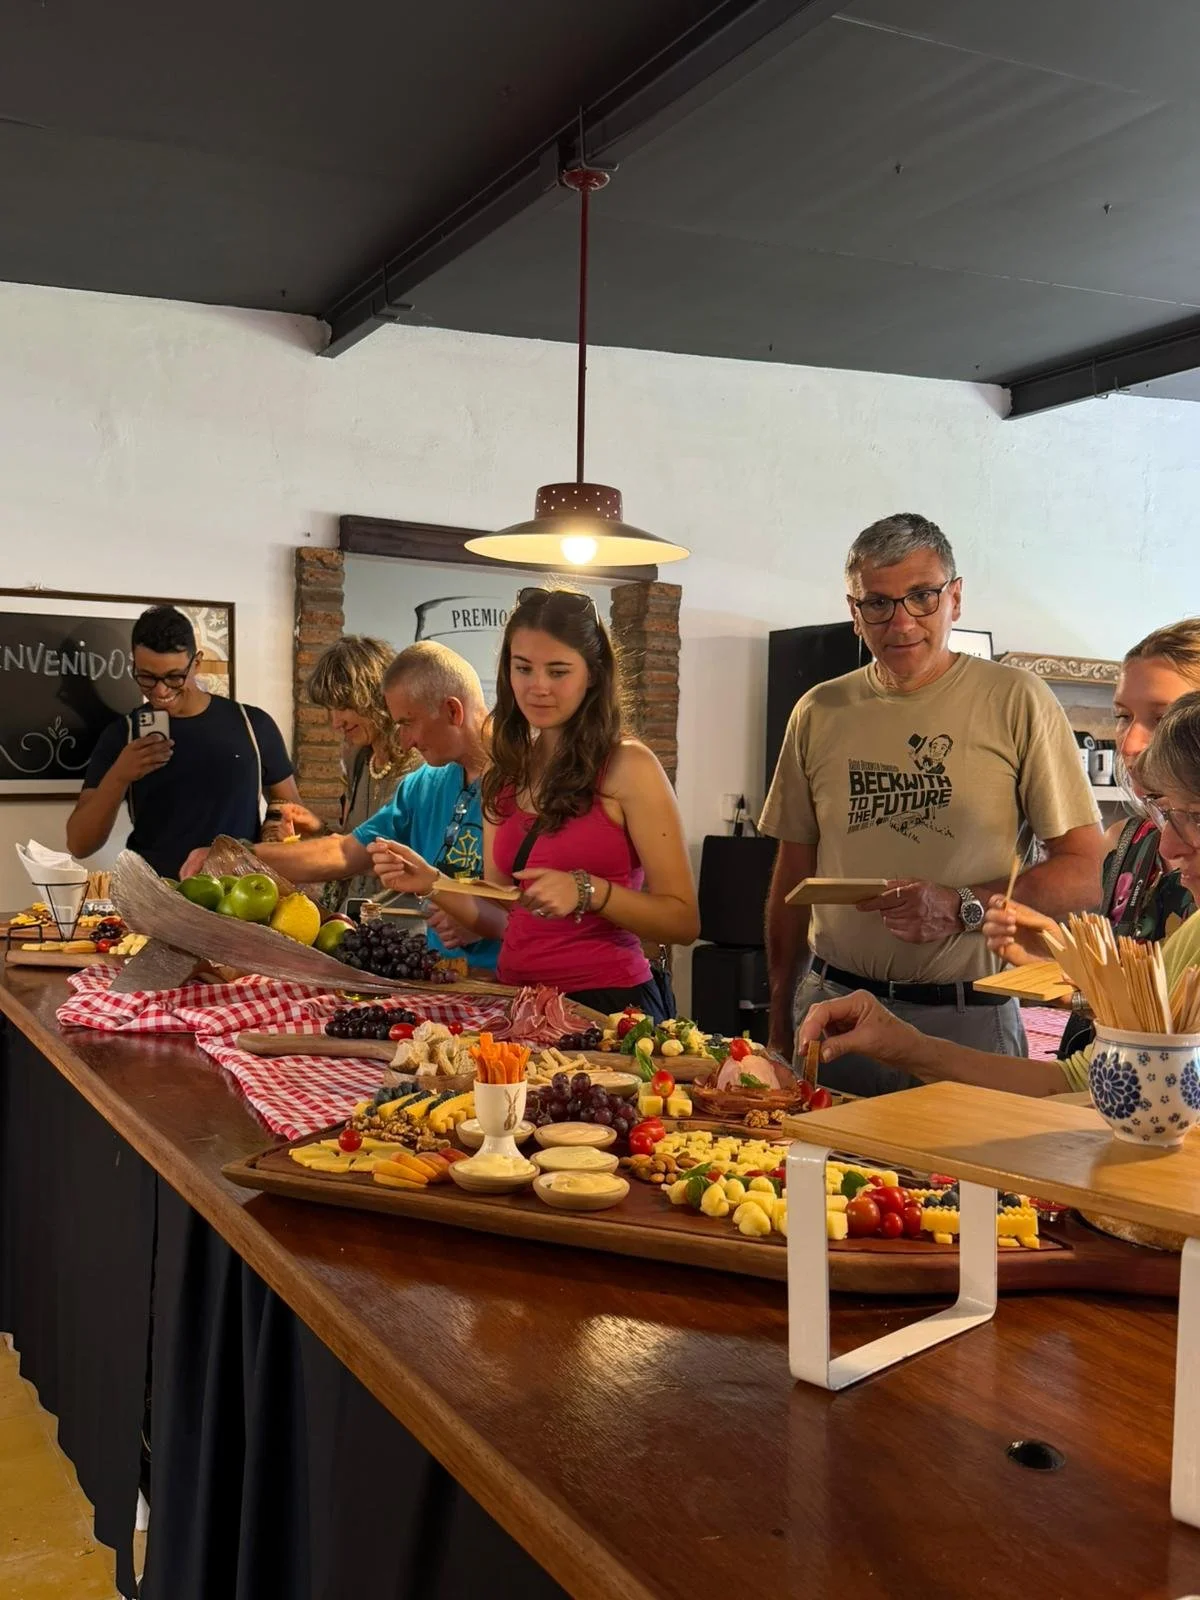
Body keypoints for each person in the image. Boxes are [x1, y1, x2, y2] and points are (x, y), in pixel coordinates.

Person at [760, 512, 1106, 1097]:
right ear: (854, 612)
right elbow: (793, 876)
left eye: (921, 597)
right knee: (814, 1182)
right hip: (832, 1009)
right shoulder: (818, 711)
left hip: (966, 1020)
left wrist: (961, 905)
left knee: (965, 1190)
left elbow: (1085, 870)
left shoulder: (1016, 700)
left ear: (956, 599)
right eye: (878, 603)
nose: (902, 622)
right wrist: (776, 1019)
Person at [797, 692, 1200, 1097]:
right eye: (1167, 814)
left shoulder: (1019, 703)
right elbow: (1078, 1079)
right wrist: (903, 1045)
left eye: (1194, 817)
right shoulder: (1192, 938)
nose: (1168, 848)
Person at [368, 587, 699, 1017]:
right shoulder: (504, 773)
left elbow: (683, 921)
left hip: (608, 1007)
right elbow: (510, 918)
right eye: (523, 668)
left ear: (593, 674)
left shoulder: (628, 766)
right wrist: (433, 883)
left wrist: (589, 891)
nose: (537, 687)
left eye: (558, 671)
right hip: (519, 1005)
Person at [180, 641, 497, 969]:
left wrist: (484, 918)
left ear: (452, 711)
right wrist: (238, 855)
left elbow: (546, 903)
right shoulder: (424, 784)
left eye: (407, 723)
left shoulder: (528, 782)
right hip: (441, 979)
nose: (405, 740)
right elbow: (347, 851)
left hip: (512, 991)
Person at [985, 619, 1200, 1058]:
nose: (1131, 743)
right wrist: (1059, 960)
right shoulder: (1124, 844)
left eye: (1162, 718)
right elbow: (1138, 1015)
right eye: (1123, 717)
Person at [67, 605, 300, 879]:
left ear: (197, 663)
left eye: (174, 677)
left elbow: (291, 811)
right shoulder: (122, 736)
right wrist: (119, 775)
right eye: (146, 677)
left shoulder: (252, 725)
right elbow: (79, 844)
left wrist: (276, 837)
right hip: (155, 900)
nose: (160, 690)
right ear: (133, 666)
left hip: (242, 899)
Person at [270, 635, 420, 913]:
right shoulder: (358, 758)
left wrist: (252, 855)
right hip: (356, 920)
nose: (335, 722)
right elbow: (355, 845)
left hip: (405, 927)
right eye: (330, 709)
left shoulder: (421, 768)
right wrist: (318, 830)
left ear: (376, 696)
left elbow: (365, 856)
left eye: (343, 707)